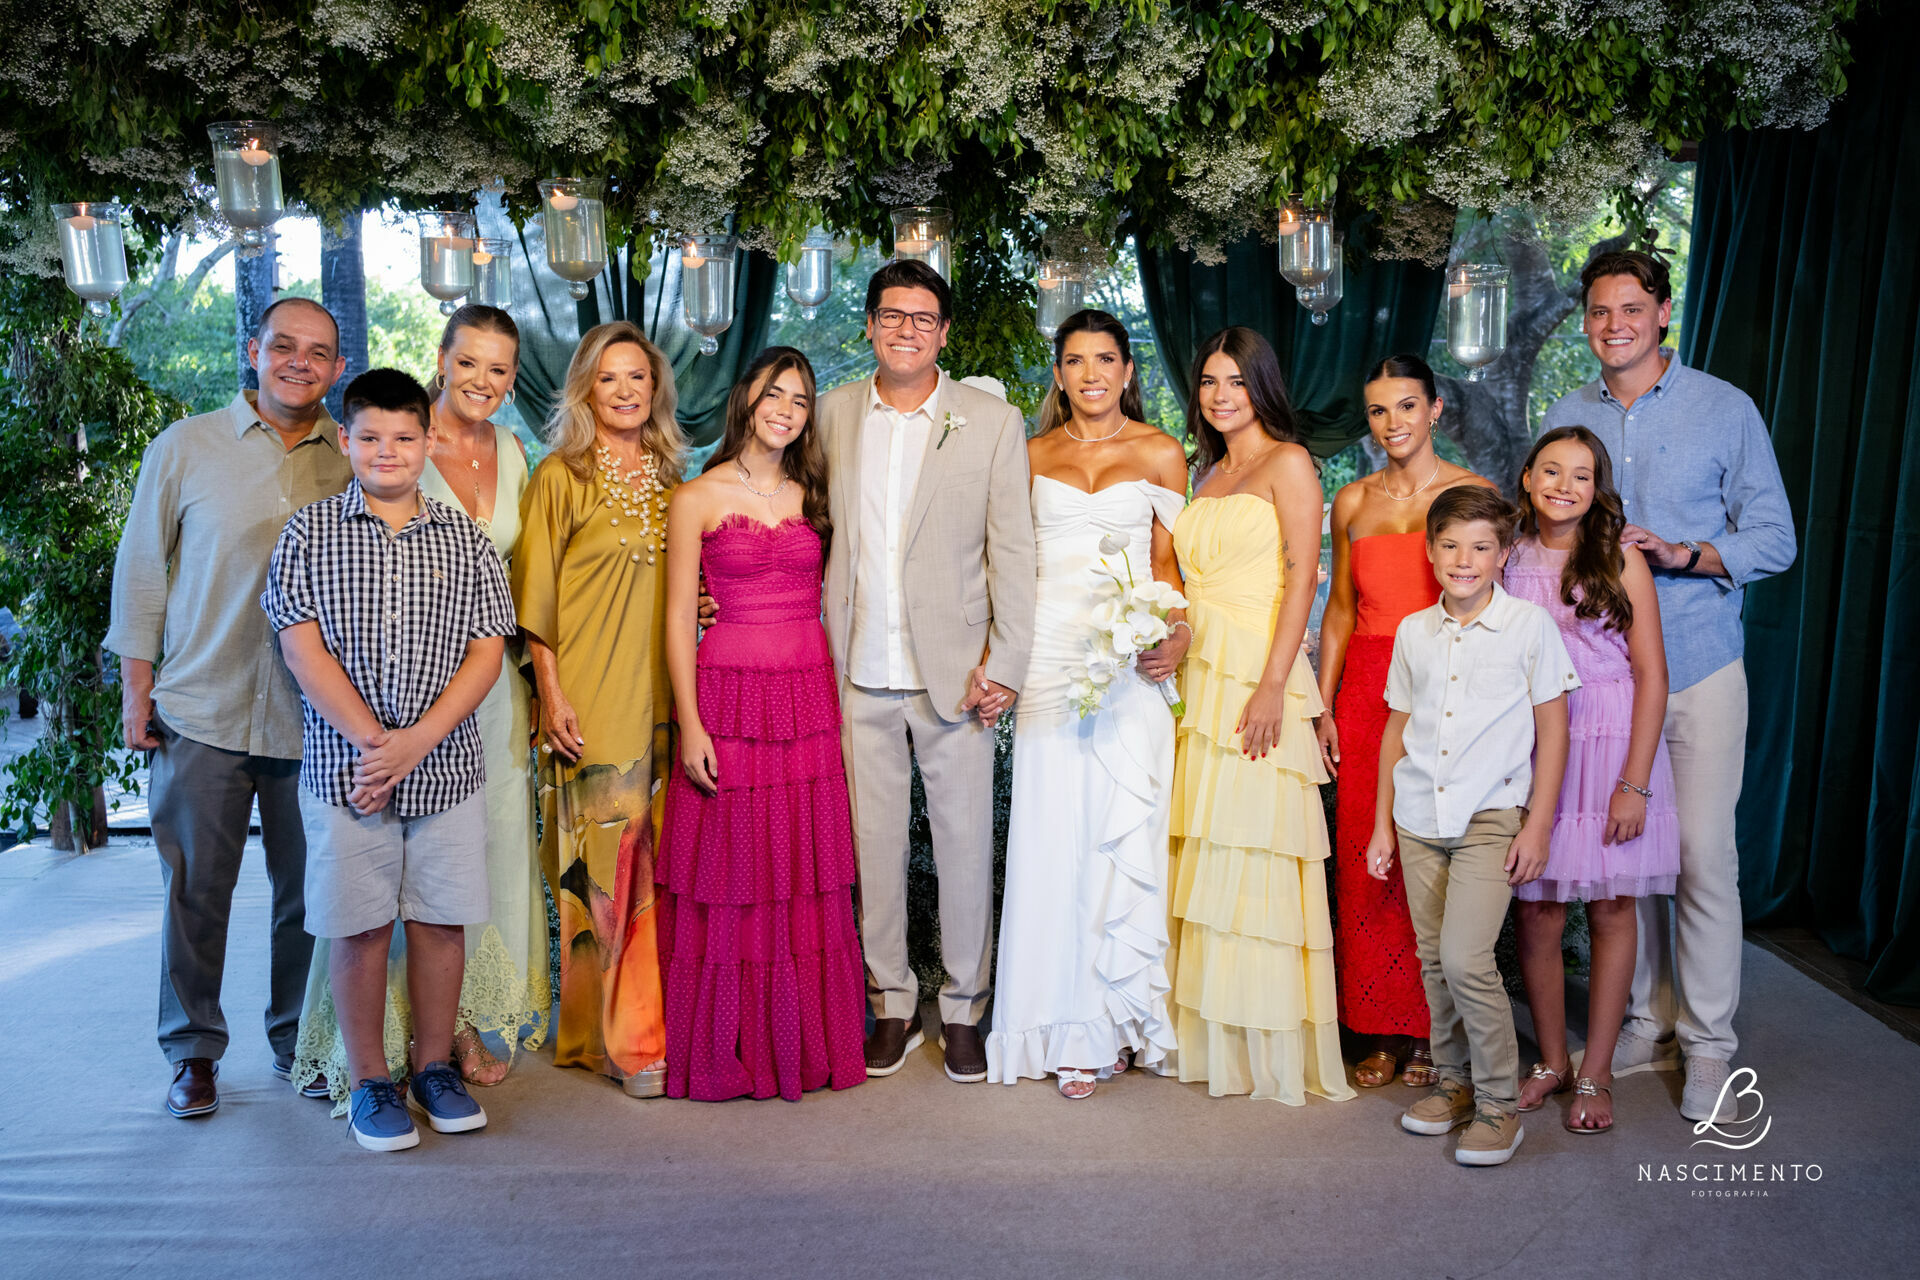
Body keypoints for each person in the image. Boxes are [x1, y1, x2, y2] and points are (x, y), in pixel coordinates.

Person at [1542, 249, 1796, 1122]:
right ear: (1586, 320)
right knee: (1627, 858)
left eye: (1630, 309)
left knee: (1700, 860)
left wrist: (1687, 555)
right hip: (1598, 687)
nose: (1614, 325)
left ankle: (1711, 1045)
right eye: (1600, 311)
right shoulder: (1566, 413)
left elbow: (1776, 536)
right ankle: (1646, 1018)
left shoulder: (1726, 409)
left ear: (1663, 313)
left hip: (1697, 666)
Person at [289, 305, 546, 1104]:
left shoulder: (496, 485)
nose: (484, 380)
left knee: (458, 890)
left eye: (500, 368)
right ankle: (370, 1066)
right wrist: (377, 743)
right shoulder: (321, 524)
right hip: (356, 742)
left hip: (465, 721)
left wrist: (423, 739)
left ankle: (448, 1045)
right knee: (360, 909)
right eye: (469, 362)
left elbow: (504, 615)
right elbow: (305, 642)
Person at [106, 296, 350, 1119]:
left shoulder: (351, 457)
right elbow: (143, 573)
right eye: (284, 346)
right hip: (201, 708)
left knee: (306, 895)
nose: (299, 363)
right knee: (195, 891)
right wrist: (138, 690)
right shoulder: (185, 447)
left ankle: (298, 1041)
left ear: (338, 369)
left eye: (318, 353)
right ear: (253, 350)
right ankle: (193, 1052)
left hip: (310, 719)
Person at [818, 259, 1037, 1082]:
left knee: (964, 846)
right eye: (891, 315)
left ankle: (965, 1007)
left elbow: (1013, 550)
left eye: (923, 317)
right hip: (856, 671)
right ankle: (891, 1003)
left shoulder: (989, 419)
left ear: (944, 333)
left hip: (957, 675)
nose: (905, 328)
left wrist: (1005, 664)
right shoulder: (833, 414)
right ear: (869, 326)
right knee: (872, 849)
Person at [985, 310, 1188, 1099]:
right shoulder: (1028, 455)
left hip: (1130, 669)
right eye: (1075, 361)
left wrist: (1176, 636)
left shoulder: (1161, 452)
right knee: (1050, 840)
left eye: (1106, 359)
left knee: (1119, 842)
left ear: (1128, 370)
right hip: (1048, 665)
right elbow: (1007, 566)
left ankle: (1117, 1022)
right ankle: (1055, 1025)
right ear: (1059, 374)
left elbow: (1173, 569)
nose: (1092, 373)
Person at [656, 347, 867, 1101]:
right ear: (746, 397)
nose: (785, 409)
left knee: (800, 868)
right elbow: (680, 615)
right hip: (730, 698)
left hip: (807, 696)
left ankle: (802, 1042)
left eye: (801, 400)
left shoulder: (817, 492)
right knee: (734, 868)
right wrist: (690, 724)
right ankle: (732, 1046)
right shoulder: (697, 497)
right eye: (774, 393)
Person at [1165, 327, 1351, 1105]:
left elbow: (1306, 575)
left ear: (1261, 386)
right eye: (1209, 381)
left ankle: (1265, 1039)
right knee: (1209, 842)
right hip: (1197, 674)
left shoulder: (1289, 462)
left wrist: (1277, 683)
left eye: (1235, 380)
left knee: (1258, 844)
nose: (1219, 394)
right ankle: (1206, 1033)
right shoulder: (1205, 475)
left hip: (1257, 670)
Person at [1368, 485, 1578, 1166]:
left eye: (1481, 546)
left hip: (1492, 816)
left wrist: (1537, 823)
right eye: (1451, 545)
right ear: (1430, 553)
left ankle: (1497, 1105)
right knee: (1435, 961)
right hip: (1418, 816)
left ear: (1503, 553)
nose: (1464, 559)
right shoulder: (1413, 633)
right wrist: (1380, 826)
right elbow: (1397, 730)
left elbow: (1554, 727)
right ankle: (1454, 1085)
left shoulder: (1528, 627)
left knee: (1466, 957)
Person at [511, 321, 682, 1097]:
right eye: (609, 378)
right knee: (606, 869)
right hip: (589, 698)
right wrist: (551, 694)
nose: (625, 391)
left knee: (652, 861)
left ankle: (587, 1032)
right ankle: (633, 1040)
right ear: (585, 388)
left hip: (662, 700)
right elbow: (534, 599)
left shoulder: (675, 480)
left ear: (656, 390)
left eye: (638, 378)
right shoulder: (560, 476)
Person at [1317, 355, 1496, 1090]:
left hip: (1441, 683)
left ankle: (1434, 1031)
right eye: (1380, 411)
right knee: (1367, 856)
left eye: (1407, 406)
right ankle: (1380, 1029)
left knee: (1434, 852)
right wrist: (1321, 707)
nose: (1393, 423)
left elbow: (1489, 607)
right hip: (1363, 688)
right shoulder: (1351, 502)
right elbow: (1339, 612)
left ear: (1436, 410)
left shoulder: (1473, 493)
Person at [1507, 426, 1680, 1134]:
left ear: (1598, 488)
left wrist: (1634, 781)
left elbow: (1652, 674)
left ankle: (1597, 1070)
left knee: (1611, 908)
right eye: (1551, 470)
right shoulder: (1507, 557)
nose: (1564, 486)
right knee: (1539, 909)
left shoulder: (1620, 558)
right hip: (1535, 745)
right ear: (1526, 477)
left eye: (1581, 475)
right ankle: (1552, 1061)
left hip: (1610, 746)